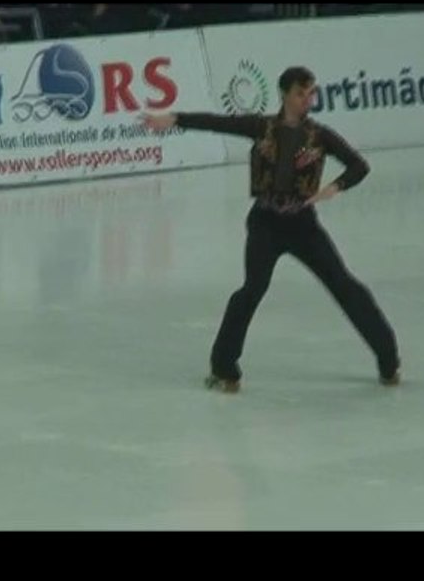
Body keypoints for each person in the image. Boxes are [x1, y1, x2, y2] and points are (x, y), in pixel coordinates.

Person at [140, 66, 400, 393]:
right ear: (285, 94)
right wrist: (176, 119)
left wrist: (336, 186)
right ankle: (224, 368)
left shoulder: (320, 136)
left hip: (303, 224)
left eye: (311, 93)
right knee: (252, 289)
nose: (307, 100)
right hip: (266, 223)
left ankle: (388, 358)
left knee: (343, 284)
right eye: (301, 93)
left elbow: (359, 165)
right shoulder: (261, 127)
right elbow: (216, 122)